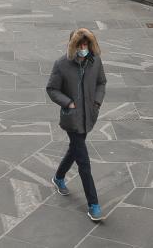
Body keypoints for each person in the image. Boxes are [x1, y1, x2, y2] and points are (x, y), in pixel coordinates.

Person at [46, 28, 107, 222]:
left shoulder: (95, 61)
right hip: (72, 119)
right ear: (73, 45)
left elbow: (101, 83)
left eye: (86, 45)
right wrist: (68, 103)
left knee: (75, 150)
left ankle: (58, 177)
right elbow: (52, 89)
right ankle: (94, 204)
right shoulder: (61, 64)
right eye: (80, 45)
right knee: (84, 163)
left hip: (88, 116)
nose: (83, 48)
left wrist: (96, 103)